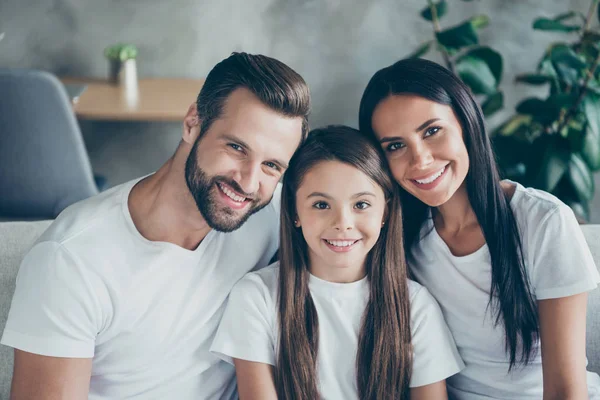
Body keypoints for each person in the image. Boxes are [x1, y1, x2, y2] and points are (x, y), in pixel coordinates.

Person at [1, 52, 311, 400]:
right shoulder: (71, 260)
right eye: (236, 147)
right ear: (192, 122)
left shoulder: (271, 216)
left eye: (272, 165)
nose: (250, 183)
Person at [358, 57, 600, 399]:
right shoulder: (400, 237)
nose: (420, 160)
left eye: (431, 131)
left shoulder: (543, 221)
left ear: (466, 123)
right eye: (395, 146)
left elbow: (565, 389)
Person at [211, 126, 464, 399]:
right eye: (321, 205)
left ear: (385, 212)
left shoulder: (415, 306)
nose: (342, 224)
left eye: (361, 205)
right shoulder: (256, 296)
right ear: (294, 212)